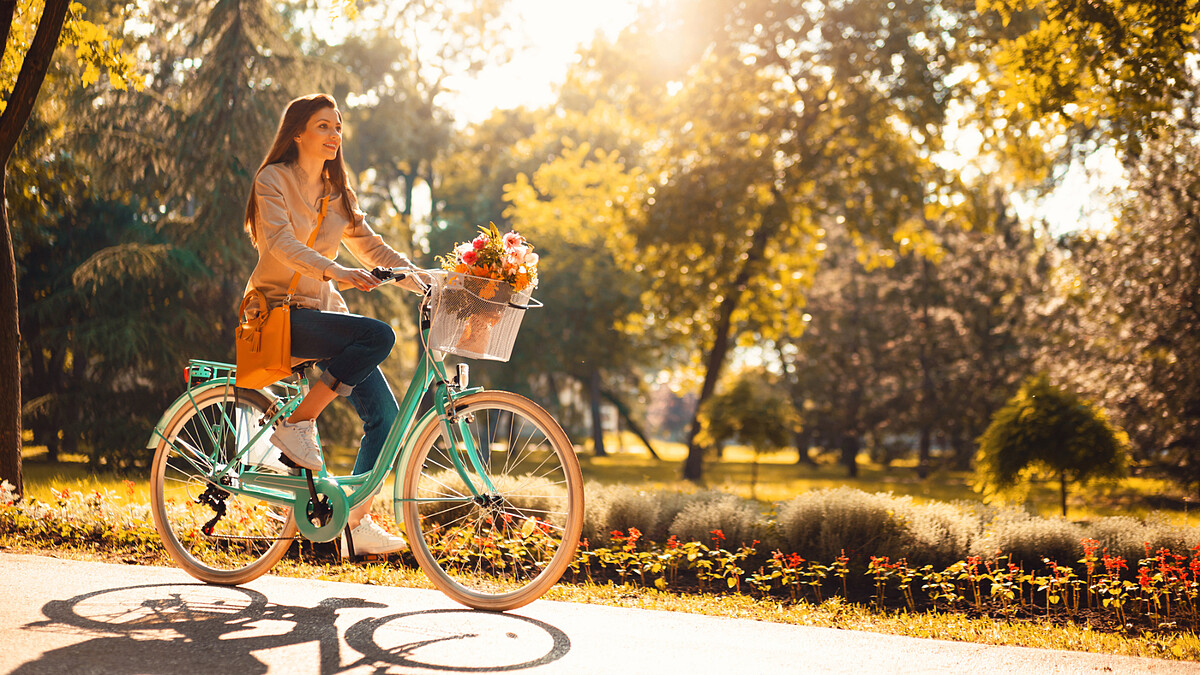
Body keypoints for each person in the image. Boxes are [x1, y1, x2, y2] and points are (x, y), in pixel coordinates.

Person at [241, 93, 418, 555]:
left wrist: (428, 281)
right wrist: (336, 271)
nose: (334, 134)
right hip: (280, 314)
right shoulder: (272, 180)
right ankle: (299, 422)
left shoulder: (338, 194)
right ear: (297, 132)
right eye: (323, 125)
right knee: (378, 335)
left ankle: (355, 521)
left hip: (322, 315)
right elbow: (280, 244)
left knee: (387, 418)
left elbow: (374, 250)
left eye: (338, 127)